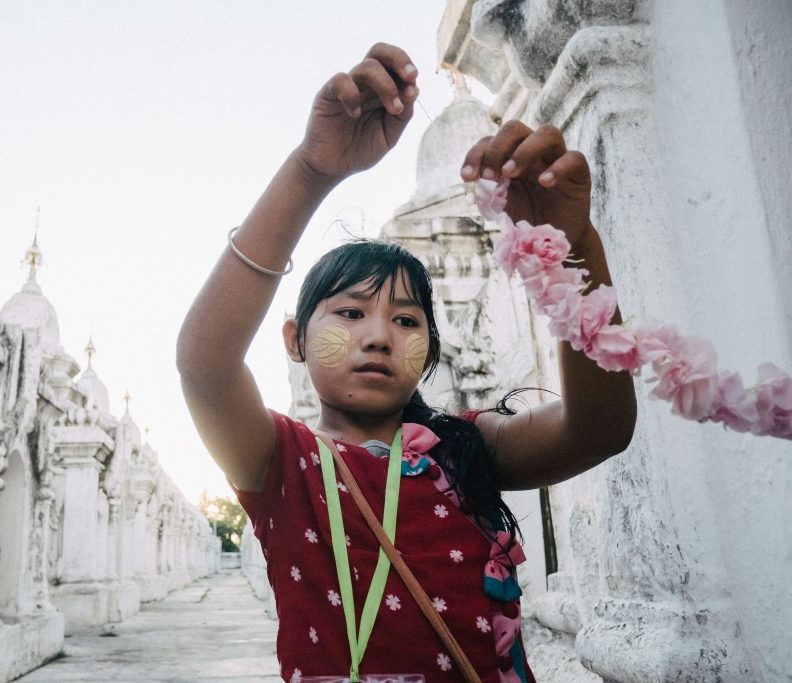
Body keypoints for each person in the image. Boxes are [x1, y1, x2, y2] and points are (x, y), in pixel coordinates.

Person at [177, 43, 636, 683]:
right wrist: (312, 170)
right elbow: (205, 363)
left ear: (428, 354)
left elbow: (600, 429)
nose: (378, 336)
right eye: (348, 313)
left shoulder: (466, 449)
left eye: (405, 320)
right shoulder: (283, 463)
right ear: (294, 341)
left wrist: (572, 252)